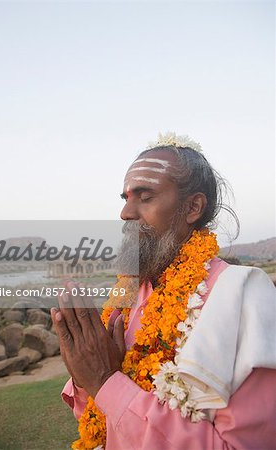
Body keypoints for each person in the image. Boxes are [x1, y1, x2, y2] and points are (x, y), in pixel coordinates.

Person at [50, 132, 276, 450]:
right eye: (126, 198)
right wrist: (85, 371)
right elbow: (94, 419)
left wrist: (105, 381)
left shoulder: (242, 295)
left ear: (193, 207)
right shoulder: (127, 298)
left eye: (144, 197)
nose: (125, 213)